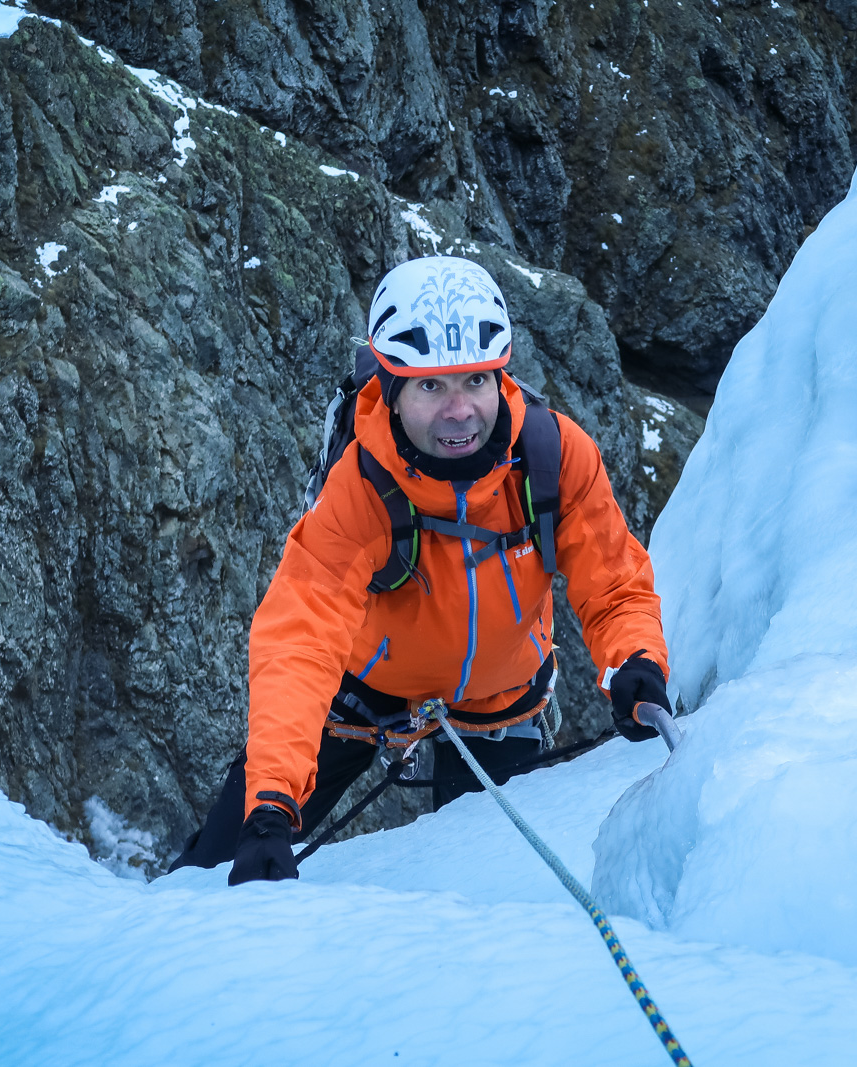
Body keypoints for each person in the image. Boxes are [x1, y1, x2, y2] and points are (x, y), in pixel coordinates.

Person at [171, 255, 672, 885]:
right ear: (391, 389)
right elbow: (299, 640)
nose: (459, 410)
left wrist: (636, 663)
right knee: (215, 869)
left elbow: (614, 579)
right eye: (431, 387)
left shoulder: (552, 457)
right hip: (360, 695)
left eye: (474, 381)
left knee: (486, 896)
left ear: (500, 377)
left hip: (500, 700)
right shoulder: (361, 489)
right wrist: (270, 805)